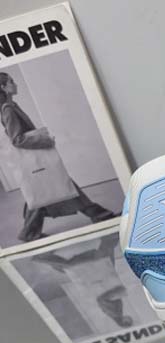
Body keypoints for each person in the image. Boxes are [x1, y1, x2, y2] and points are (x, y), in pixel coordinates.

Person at [0, 72, 116, 242]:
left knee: (50, 190)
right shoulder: (8, 110)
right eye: (11, 82)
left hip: (37, 162)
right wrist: (44, 140)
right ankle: (29, 233)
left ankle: (99, 215)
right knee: (46, 193)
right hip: (35, 161)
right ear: (3, 87)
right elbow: (17, 140)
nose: (15, 84)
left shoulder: (12, 106)